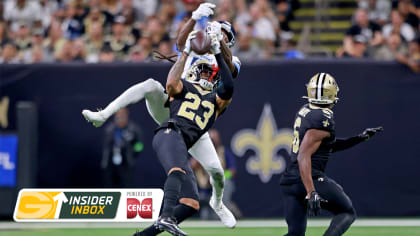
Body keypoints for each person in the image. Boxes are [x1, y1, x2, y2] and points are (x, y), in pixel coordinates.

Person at [82, 2, 240, 230]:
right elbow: (179, 43)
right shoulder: (196, 48)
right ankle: (103, 114)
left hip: (196, 119)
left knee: (217, 172)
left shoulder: (231, 61)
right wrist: (194, 18)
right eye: (217, 31)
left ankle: (217, 203)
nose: (218, 35)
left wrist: (218, 43)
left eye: (225, 35)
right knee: (150, 85)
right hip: (173, 103)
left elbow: (230, 70)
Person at [149, 29, 234, 236]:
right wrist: (186, 52)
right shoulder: (186, 87)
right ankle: (167, 217)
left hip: (184, 143)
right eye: (203, 71)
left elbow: (228, 85)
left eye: (210, 73)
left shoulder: (218, 102)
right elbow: (171, 84)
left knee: (191, 204)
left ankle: (144, 234)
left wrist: (216, 50)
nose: (206, 75)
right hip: (170, 132)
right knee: (177, 172)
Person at [280, 73, 383, 236]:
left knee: (295, 234)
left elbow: (326, 146)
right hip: (309, 178)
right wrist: (311, 191)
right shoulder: (323, 117)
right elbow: (303, 155)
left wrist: (358, 138)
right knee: (347, 212)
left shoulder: (306, 110)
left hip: (290, 181)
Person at [102, 108, 144, 188]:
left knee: (126, 187)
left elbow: (140, 147)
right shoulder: (109, 129)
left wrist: (133, 142)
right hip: (111, 165)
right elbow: (106, 148)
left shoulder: (134, 129)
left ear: (127, 116)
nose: (120, 118)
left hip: (126, 164)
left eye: (122, 116)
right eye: (118, 116)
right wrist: (105, 162)